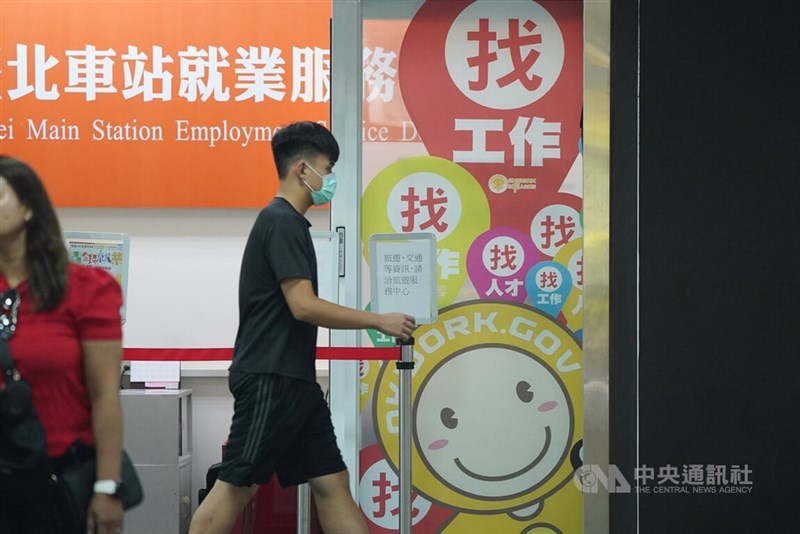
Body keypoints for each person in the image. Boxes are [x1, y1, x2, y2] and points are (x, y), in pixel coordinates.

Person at [189, 121, 416, 534]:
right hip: (271, 379)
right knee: (235, 488)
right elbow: (303, 305)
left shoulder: (288, 224)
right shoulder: (282, 223)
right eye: (327, 170)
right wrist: (378, 319)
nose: (329, 181)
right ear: (302, 170)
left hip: (296, 381)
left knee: (332, 483)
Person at [0, 156, 125, 534]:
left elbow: (104, 394)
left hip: (54, 481)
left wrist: (107, 486)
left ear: (28, 208)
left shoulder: (86, 288)